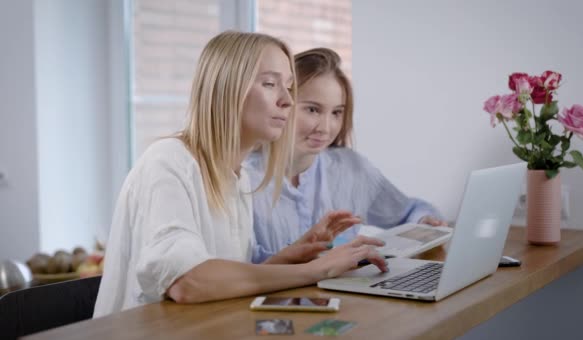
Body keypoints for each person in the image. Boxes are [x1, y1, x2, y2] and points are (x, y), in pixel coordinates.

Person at [94, 32, 387, 317]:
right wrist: (316, 270)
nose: (287, 100)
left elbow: (226, 280)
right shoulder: (167, 161)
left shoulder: (238, 176)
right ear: (227, 88)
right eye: (270, 84)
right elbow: (188, 282)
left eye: (289, 87)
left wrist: (296, 251)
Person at [246, 48, 447, 264]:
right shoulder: (243, 178)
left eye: (336, 113)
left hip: (343, 296)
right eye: (313, 110)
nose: (325, 128)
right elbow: (239, 267)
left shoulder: (351, 168)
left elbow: (410, 210)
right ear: (281, 103)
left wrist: (424, 221)